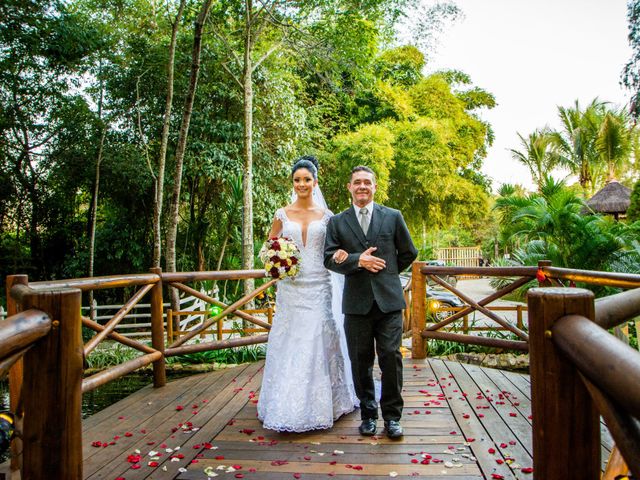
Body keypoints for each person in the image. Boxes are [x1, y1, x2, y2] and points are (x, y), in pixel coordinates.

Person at [257, 156, 357, 432]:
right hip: (291, 288)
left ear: (315, 183)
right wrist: (276, 260)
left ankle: (327, 402)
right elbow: (268, 247)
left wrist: (341, 254)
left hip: (319, 284)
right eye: (297, 180)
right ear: (293, 183)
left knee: (318, 337)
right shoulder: (281, 214)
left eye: (306, 179)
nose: (302, 184)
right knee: (290, 340)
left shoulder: (327, 217)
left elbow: (338, 248)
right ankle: (284, 402)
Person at [324, 165, 418, 439]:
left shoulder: (392, 216)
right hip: (356, 304)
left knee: (391, 357)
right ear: (349, 187)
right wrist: (358, 260)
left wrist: (387, 273)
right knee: (360, 360)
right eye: (357, 183)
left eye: (367, 182)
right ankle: (368, 415)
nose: (362, 187)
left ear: (375, 187)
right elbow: (329, 258)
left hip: (389, 302)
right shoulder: (338, 222)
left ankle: (392, 417)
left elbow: (408, 252)